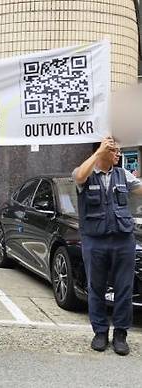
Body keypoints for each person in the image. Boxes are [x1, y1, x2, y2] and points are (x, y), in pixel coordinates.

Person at [73, 136, 142, 356]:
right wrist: (98, 152)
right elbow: (80, 176)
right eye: (114, 151)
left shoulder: (123, 175)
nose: (118, 154)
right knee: (96, 287)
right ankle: (100, 332)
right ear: (101, 151)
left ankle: (120, 334)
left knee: (124, 288)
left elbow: (140, 189)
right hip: (95, 240)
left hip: (123, 239)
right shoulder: (85, 174)